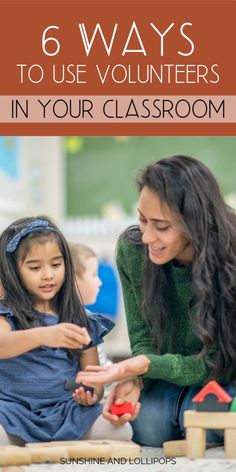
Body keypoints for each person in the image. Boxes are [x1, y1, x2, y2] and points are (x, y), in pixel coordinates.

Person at [77, 155, 236, 447]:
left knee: (206, 414)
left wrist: (145, 367)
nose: (147, 236)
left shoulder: (230, 257)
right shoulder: (133, 251)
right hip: (167, 377)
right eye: (142, 219)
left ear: (195, 223)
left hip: (223, 375)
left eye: (161, 226)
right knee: (148, 426)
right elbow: (143, 338)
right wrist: (136, 379)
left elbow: (220, 361)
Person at [0, 216, 132, 445]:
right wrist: (44, 335)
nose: (48, 275)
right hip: (12, 409)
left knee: (122, 432)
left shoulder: (80, 318)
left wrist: (91, 394)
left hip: (65, 410)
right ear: (13, 271)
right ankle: (24, 438)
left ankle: (32, 440)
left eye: (56, 264)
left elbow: (94, 378)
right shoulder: (7, 312)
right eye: (34, 267)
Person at [69, 242, 114, 397]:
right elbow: (98, 372)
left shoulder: (85, 316)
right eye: (94, 275)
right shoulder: (79, 321)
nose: (100, 282)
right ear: (73, 279)